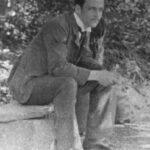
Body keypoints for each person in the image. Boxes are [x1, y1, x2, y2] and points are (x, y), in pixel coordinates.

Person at [8, 0, 119, 150]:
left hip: (51, 80)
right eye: (92, 9)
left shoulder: (84, 26)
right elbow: (58, 68)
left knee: (105, 83)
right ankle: (66, 146)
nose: (97, 15)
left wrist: (103, 73)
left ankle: (96, 145)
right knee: (67, 84)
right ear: (78, 9)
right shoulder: (58, 26)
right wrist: (96, 74)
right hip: (28, 85)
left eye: (100, 10)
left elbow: (83, 58)